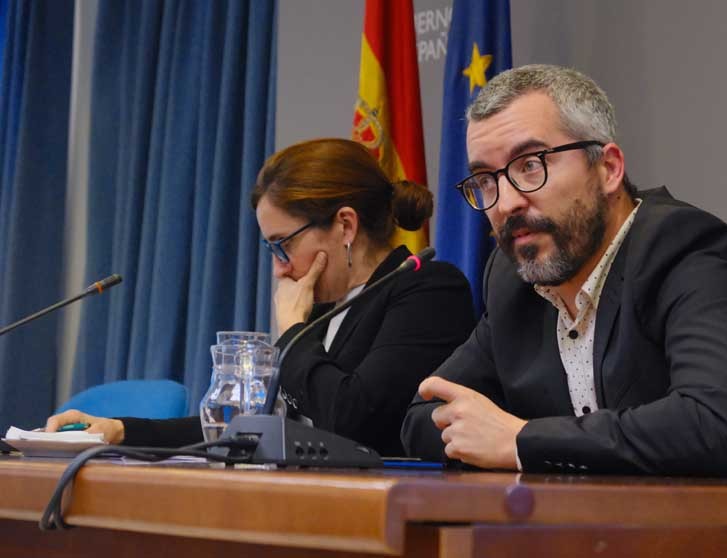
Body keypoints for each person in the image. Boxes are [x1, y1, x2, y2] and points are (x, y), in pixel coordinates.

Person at [401, 65, 727, 480]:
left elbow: (709, 424)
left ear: (608, 169)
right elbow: (421, 416)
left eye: (530, 165)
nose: (505, 203)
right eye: (486, 180)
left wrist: (520, 440)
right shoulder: (512, 281)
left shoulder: (686, 248)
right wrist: (492, 436)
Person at [47, 138, 476, 457]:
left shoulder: (429, 289)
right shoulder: (328, 307)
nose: (278, 267)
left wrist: (293, 332)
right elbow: (251, 430)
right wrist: (120, 430)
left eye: (281, 244)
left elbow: (354, 421)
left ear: (345, 225)